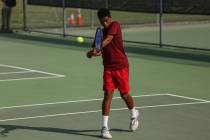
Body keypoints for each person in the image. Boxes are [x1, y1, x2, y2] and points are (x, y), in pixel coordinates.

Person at [86, 8, 139, 139]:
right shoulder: (100, 32)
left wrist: (98, 47)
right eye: (101, 22)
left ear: (109, 18)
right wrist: (91, 53)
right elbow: (96, 50)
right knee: (107, 95)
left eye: (105, 21)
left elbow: (108, 40)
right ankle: (104, 128)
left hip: (121, 66)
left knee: (124, 94)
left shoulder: (115, 25)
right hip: (108, 68)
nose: (104, 24)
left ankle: (134, 114)